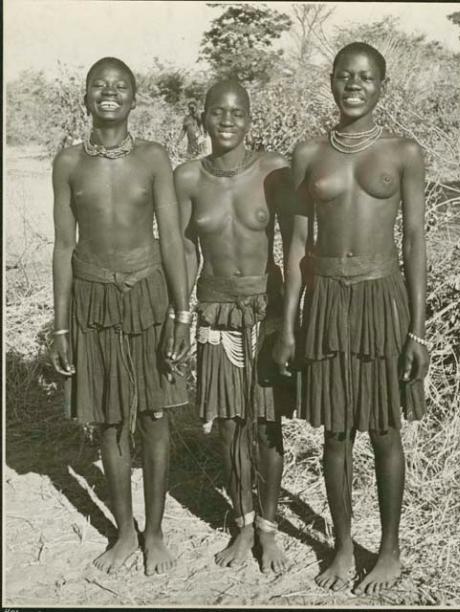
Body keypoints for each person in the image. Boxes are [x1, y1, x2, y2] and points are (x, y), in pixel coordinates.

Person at [273, 42, 430, 594]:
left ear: (383, 85)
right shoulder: (307, 154)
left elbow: (414, 241)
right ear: (332, 82)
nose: (353, 85)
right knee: (335, 434)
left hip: (382, 298)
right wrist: (290, 325)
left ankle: (387, 552)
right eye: (344, 76)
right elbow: (295, 246)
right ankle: (341, 547)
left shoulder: (404, 152)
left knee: (385, 430)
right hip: (327, 301)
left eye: (365, 77)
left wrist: (418, 329)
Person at [50, 57, 191, 576]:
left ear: (135, 97)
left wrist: (181, 312)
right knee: (110, 421)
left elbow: (172, 238)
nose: (109, 92)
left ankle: (155, 533)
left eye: (120, 86)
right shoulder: (67, 163)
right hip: (92, 299)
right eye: (99, 85)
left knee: (155, 417)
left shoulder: (155, 158)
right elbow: (65, 247)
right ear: (85, 96)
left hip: (149, 296)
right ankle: (125, 533)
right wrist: (61, 325)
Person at [174, 80, 295, 573]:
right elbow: (185, 250)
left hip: (265, 310)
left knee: (266, 425)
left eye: (237, 112)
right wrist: (182, 314)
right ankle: (242, 524)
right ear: (203, 118)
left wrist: (291, 321)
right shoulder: (187, 178)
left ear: (250, 117)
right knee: (228, 425)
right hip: (215, 310)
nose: (227, 120)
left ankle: (269, 530)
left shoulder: (274, 172)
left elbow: (295, 247)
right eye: (217, 112)